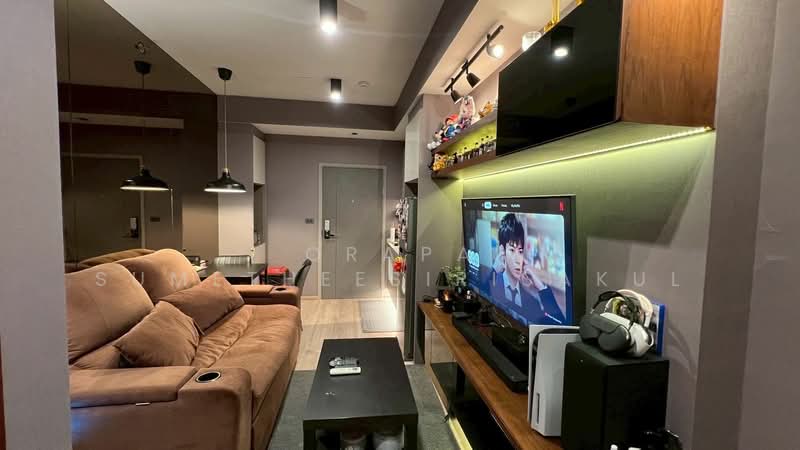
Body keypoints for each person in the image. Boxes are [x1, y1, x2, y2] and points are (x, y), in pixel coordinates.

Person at [487, 213, 566, 325]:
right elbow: (482, 295)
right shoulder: (493, 284)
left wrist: (540, 286)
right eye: (512, 250)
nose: (517, 260)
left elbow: (559, 326)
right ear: (502, 251)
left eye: (520, 251)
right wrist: (494, 270)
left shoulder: (532, 302)